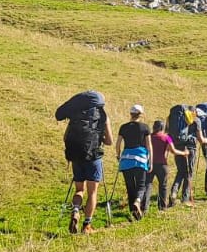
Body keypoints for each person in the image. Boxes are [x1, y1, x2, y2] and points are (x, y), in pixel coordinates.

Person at [56, 90, 112, 234]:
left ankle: (75, 211)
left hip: (76, 157)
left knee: (79, 190)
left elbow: (65, 137)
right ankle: (87, 225)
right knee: (92, 192)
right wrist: (98, 138)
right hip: (94, 157)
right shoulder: (103, 116)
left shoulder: (76, 116)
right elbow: (109, 141)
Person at [116, 104, 152, 219]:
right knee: (141, 185)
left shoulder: (123, 127)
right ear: (140, 114)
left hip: (126, 159)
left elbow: (118, 144)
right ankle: (138, 201)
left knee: (130, 186)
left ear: (131, 114)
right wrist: (150, 161)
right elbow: (149, 146)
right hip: (140, 159)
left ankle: (133, 212)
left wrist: (118, 156)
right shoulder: (145, 127)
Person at [166, 103, 200, 205]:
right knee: (189, 173)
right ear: (194, 112)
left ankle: (173, 192)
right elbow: (200, 138)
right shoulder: (196, 120)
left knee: (181, 171)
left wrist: (170, 145)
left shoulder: (172, 119)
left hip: (177, 146)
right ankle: (185, 198)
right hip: (190, 148)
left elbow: (167, 133)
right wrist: (205, 141)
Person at [150, 118, 184, 211]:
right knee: (163, 186)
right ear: (162, 127)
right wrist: (184, 153)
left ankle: (144, 207)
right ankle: (162, 207)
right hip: (162, 165)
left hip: (150, 164)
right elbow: (173, 151)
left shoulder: (149, 136)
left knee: (147, 185)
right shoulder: (166, 137)